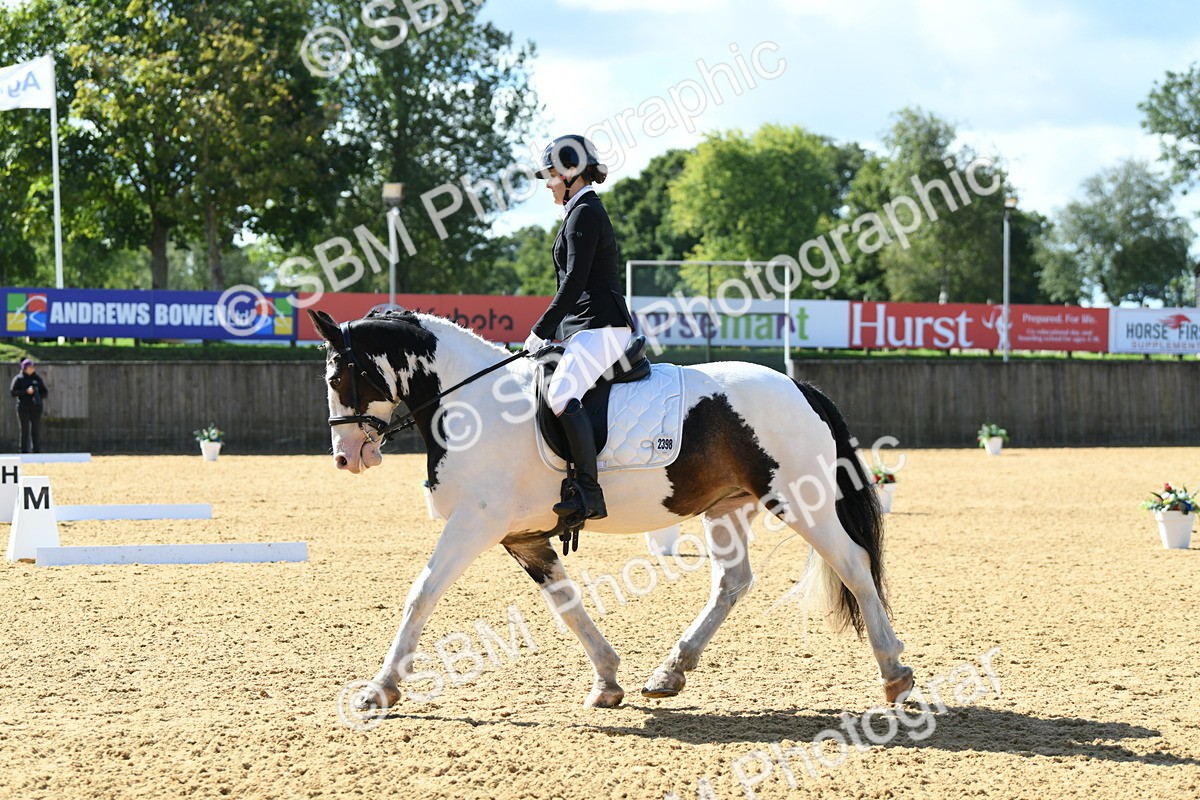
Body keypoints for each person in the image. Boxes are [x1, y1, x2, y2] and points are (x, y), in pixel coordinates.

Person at [526, 134, 636, 521]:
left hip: (602, 326)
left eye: (551, 175)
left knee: (560, 397)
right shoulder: (578, 211)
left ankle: (590, 492)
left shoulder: (585, 213)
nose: (548, 184)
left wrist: (542, 329)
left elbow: (575, 280)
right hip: (585, 328)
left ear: (570, 173)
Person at [11, 358, 48, 454]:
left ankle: (36, 450)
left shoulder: (37, 379)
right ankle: (24, 451)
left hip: (36, 408)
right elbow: (13, 392)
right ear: (25, 368)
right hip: (23, 408)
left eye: (33, 366)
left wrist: (37, 396)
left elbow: (45, 392)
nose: (33, 368)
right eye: (30, 366)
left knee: (35, 429)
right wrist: (25, 391)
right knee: (24, 430)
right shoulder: (18, 379)